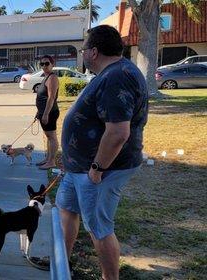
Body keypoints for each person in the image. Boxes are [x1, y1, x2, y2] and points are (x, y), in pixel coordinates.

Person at [56, 25, 148, 280]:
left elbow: (118, 132)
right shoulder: (111, 73)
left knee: (99, 227)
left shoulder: (117, 76)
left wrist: (97, 168)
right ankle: (63, 264)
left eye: (84, 49)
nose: (83, 54)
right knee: (67, 209)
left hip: (98, 169)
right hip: (79, 167)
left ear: (94, 52)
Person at [35, 55, 60, 170]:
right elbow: (42, 98)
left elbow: (51, 98)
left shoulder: (52, 78)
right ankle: (48, 159)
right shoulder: (46, 77)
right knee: (49, 137)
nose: (44, 66)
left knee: (52, 137)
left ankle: (51, 162)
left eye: (47, 63)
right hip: (44, 112)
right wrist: (38, 112)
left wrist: (45, 114)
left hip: (50, 112)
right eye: (42, 64)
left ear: (52, 64)